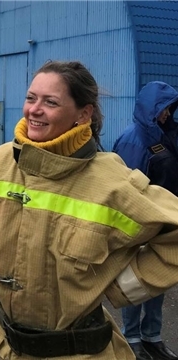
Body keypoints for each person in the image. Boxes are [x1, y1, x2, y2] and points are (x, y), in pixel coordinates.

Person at [0, 60, 178, 359]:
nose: (34, 109)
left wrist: (120, 287)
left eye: (50, 102)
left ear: (83, 114)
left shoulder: (112, 184)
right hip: (2, 345)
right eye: (30, 98)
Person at [113, 81, 178, 360]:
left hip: (166, 221)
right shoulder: (133, 139)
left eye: (169, 109)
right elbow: (125, 188)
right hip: (141, 222)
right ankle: (132, 337)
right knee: (136, 282)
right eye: (162, 109)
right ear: (151, 109)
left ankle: (152, 337)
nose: (166, 114)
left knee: (158, 279)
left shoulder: (167, 135)